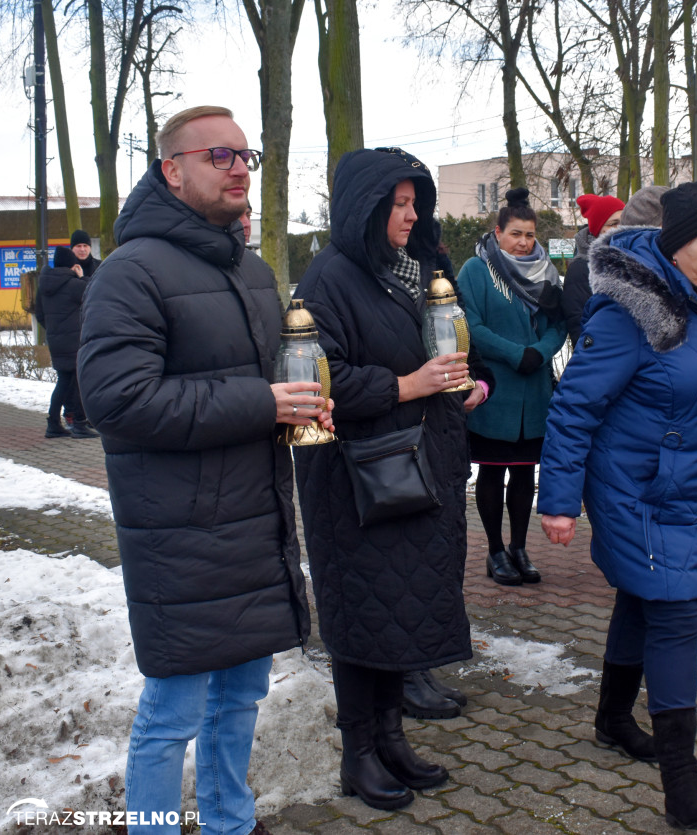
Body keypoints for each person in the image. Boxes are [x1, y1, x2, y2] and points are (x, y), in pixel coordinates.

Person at [77, 105, 328, 835]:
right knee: (173, 710)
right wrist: (262, 402)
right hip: (178, 532)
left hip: (254, 521)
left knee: (243, 692)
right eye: (220, 155)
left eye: (246, 155)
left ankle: (229, 820)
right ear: (172, 170)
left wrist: (300, 407)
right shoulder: (129, 272)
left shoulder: (250, 270)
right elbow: (118, 401)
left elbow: (265, 383)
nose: (240, 167)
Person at [538, 182, 697, 831]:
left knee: (643, 597)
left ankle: (611, 719)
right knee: (675, 615)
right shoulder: (629, 311)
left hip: (695, 480)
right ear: (674, 243)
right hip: (635, 490)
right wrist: (557, 500)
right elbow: (575, 407)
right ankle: (681, 784)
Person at [292, 147, 492, 810]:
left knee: (398, 610)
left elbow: (442, 349)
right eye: (398, 204)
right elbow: (314, 376)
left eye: (415, 203)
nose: (410, 216)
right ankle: (359, 753)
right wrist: (407, 385)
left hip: (417, 467)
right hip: (356, 479)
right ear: (365, 207)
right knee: (362, 616)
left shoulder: (414, 271)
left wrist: (462, 382)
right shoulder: (328, 278)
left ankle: (391, 738)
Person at [457, 187, 568, 586]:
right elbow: (470, 325)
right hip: (496, 388)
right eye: (516, 234)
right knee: (492, 471)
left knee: (524, 474)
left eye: (530, 235)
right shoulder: (477, 270)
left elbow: (560, 322)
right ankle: (494, 550)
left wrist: (540, 351)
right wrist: (515, 353)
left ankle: (520, 548)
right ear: (498, 232)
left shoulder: (547, 273)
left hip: (535, 388)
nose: (524, 243)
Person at [34, 247, 97, 439]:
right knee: (77, 382)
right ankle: (78, 424)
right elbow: (92, 293)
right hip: (73, 341)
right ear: (71, 265)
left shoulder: (44, 286)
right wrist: (80, 276)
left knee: (63, 382)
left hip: (56, 340)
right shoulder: (72, 284)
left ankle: (53, 424)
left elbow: (40, 314)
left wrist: (54, 330)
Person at [562, 193, 625, 347]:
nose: (621, 228)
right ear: (598, 229)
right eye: (613, 223)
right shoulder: (581, 268)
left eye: (624, 221)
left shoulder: (631, 260)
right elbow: (579, 324)